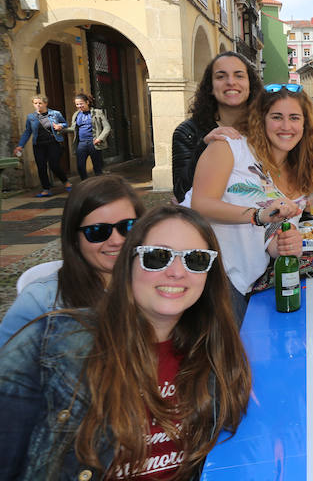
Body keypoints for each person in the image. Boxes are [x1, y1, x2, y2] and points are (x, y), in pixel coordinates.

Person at [0, 204, 252, 480]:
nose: (177, 272)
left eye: (196, 259)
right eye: (158, 257)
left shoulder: (213, 351)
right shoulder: (52, 342)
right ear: (128, 263)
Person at [188, 85, 313, 322]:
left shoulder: (299, 176)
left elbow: (271, 238)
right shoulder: (230, 147)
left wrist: (287, 243)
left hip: (245, 282)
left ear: (305, 124)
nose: (286, 126)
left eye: (294, 118)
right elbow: (200, 205)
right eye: (277, 117)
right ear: (261, 119)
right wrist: (258, 215)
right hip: (207, 275)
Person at [0, 175, 145, 345]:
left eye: (128, 226)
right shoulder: (40, 302)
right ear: (74, 238)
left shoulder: (158, 285)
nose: (117, 241)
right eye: (97, 231)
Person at [172, 51, 263, 203]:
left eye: (239, 75)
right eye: (221, 76)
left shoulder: (267, 127)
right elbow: (182, 192)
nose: (231, 82)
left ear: (250, 84)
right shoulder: (188, 132)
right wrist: (204, 146)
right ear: (210, 87)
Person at [13, 94, 71, 197]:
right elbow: (27, 132)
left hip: (53, 143)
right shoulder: (31, 117)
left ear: (45, 103)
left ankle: (65, 181)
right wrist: (20, 145)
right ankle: (46, 189)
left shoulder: (55, 114)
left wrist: (60, 126)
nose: (38, 105)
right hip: (38, 145)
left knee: (54, 165)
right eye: (35, 103)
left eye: (40, 103)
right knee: (41, 167)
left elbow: (65, 124)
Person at [66, 93, 111, 180]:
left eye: (81, 103)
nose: (79, 106)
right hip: (82, 143)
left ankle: (100, 185)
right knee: (80, 166)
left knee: (97, 167)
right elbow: (73, 128)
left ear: (87, 102)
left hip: (94, 143)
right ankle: (85, 184)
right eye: (77, 104)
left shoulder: (97, 112)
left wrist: (100, 138)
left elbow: (107, 127)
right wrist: (61, 129)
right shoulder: (76, 114)